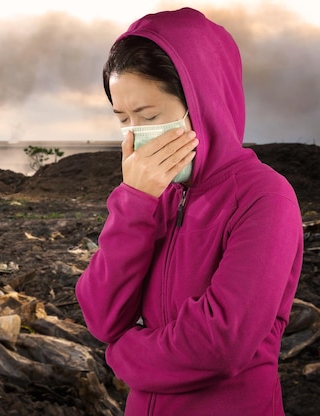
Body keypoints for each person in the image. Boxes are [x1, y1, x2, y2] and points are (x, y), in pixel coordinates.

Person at [75, 7, 303, 416]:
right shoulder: (153, 193)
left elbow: (218, 346)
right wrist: (133, 203)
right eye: (123, 119)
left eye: (148, 116)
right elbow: (102, 316)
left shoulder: (266, 199)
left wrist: (124, 353)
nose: (135, 134)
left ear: (204, 103)